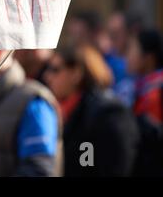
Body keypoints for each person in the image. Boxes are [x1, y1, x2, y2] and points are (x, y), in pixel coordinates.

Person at [44, 45, 139, 176]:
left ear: (75, 74)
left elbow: (111, 167)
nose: (47, 76)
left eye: (55, 70)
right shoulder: (62, 110)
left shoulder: (107, 114)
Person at [126, 29, 163, 175]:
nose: (127, 57)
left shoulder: (155, 94)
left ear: (148, 57)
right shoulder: (138, 88)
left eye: (132, 49)